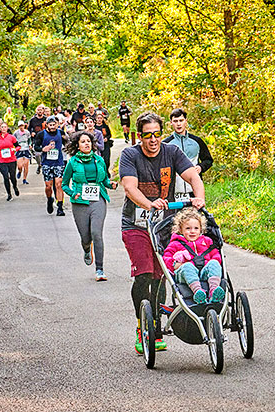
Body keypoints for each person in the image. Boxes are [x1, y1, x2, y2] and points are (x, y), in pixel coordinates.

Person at [119, 111, 205, 354]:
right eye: (148, 136)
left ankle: (155, 326)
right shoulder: (130, 155)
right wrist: (149, 203)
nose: (153, 140)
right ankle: (142, 326)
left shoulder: (171, 152)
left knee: (161, 274)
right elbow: (129, 187)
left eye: (157, 134)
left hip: (163, 225)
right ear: (140, 136)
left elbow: (192, 176)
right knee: (144, 273)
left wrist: (199, 197)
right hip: (136, 223)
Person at [62, 130, 118, 281]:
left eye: (88, 141)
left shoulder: (99, 160)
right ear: (77, 145)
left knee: (96, 233)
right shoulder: (72, 162)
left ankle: (100, 269)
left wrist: (111, 184)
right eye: (83, 142)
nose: (86, 144)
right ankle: (87, 248)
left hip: (98, 199)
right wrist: (73, 194)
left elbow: (105, 180)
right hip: (80, 202)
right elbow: (64, 185)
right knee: (86, 237)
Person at [162, 207, 224, 304]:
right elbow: (166, 257)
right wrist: (174, 264)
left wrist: (214, 261)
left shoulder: (207, 241)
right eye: (188, 228)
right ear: (180, 230)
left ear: (201, 229)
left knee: (215, 263)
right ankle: (198, 292)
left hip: (204, 272)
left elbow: (215, 254)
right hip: (184, 275)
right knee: (187, 266)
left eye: (196, 228)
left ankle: (214, 290)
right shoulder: (176, 244)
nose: (192, 231)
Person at [163, 108, 214, 201]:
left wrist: (201, 167)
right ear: (171, 123)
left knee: (194, 215)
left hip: (193, 190)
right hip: (173, 191)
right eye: (175, 121)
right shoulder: (165, 143)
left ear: (186, 121)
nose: (178, 124)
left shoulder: (197, 141)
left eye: (181, 120)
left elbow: (208, 160)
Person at [36, 116, 66, 216]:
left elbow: (67, 143)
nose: (52, 127)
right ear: (47, 125)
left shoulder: (60, 133)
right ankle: (49, 199)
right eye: (50, 125)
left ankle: (60, 207)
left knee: (59, 184)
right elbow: (36, 146)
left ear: (57, 124)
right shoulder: (41, 134)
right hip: (46, 163)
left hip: (58, 162)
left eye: (54, 125)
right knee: (48, 186)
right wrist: (42, 149)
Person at [0, 122, 20, 200]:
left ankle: (15, 186)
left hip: (11, 160)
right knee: (6, 177)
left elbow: (18, 146)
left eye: (5, 127)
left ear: (7, 128)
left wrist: (15, 149)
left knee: (12, 177)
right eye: (2, 127)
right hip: (2, 161)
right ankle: (9, 194)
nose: (3, 129)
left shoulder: (11, 137)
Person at [28, 105, 47, 172]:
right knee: (37, 154)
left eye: (41, 110)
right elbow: (29, 129)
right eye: (38, 110)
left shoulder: (46, 119)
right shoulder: (32, 120)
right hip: (36, 138)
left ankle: (45, 166)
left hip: (45, 137)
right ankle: (39, 164)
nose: (39, 111)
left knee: (44, 152)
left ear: (43, 111)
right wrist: (31, 132)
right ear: (36, 111)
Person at [14, 120, 32, 184]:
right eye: (20, 126)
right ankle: (19, 171)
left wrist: (30, 145)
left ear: (24, 126)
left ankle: (24, 179)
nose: (21, 127)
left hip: (26, 149)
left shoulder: (27, 132)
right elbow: (13, 141)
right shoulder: (16, 133)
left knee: (26, 165)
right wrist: (15, 147)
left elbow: (30, 140)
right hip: (19, 149)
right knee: (20, 165)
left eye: (22, 126)